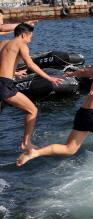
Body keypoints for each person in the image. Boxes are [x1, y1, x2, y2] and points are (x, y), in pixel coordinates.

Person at [0, 23, 63, 151]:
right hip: (5, 85)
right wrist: (49, 77)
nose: (30, 41)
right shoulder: (21, 45)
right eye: (30, 37)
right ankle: (26, 143)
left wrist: (15, 72)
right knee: (32, 110)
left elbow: (4, 62)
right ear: (24, 35)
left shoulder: (3, 43)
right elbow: (30, 65)